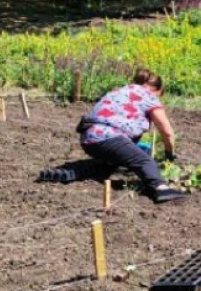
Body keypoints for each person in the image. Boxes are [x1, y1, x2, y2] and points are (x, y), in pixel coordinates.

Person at [78, 68, 185, 203]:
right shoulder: (149, 96)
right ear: (156, 90)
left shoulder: (118, 91)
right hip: (109, 137)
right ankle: (161, 189)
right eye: (159, 96)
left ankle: (102, 166)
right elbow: (167, 132)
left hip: (87, 138)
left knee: (127, 155)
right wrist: (169, 154)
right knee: (145, 161)